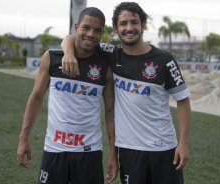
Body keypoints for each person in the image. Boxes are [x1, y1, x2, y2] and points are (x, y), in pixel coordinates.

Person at [61, 2, 191, 184]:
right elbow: (71, 38)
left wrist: (183, 143)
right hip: (129, 152)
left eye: (134, 22)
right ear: (115, 28)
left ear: (142, 25)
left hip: (163, 150)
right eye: (123, 24)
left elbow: (183, 100)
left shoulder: (164, 61)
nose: (129, 28)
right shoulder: (112, 54)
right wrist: (68, 53)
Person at [17, 7, 118, 184]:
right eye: (86, 28)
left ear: (102, 34)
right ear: (77, 27)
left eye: (97, 30)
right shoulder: (52, 58)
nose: (90, 34)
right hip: (54, 150)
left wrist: (113, 154)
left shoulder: (105, 67)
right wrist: (23, 138)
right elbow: (36, 97)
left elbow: (110, 112)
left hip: (89, 152)